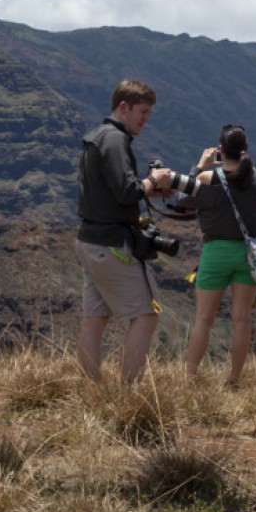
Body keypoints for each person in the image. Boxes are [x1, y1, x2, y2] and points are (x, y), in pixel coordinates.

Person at [75, 79, 174, 384]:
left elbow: (110, 192)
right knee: (146, 314)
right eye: (142, 112)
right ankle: (127, 394)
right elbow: (126, 191)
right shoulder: (116, 140)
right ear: (123, 107)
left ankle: (90, 390)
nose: (146, 119)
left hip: (89, 242)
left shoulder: (96, 136)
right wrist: (153, 180)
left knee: (95, 318)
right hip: (113, 245)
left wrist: (150, 193)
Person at [176, 126, 256, 385]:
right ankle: (234, 379)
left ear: (220, 150)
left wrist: (199, 166)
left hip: (215, 252)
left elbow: (182, 199)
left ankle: (189, 378)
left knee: (203, 319)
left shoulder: (209, 178)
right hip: (250, 254)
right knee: (242, 318)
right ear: (246, 150)